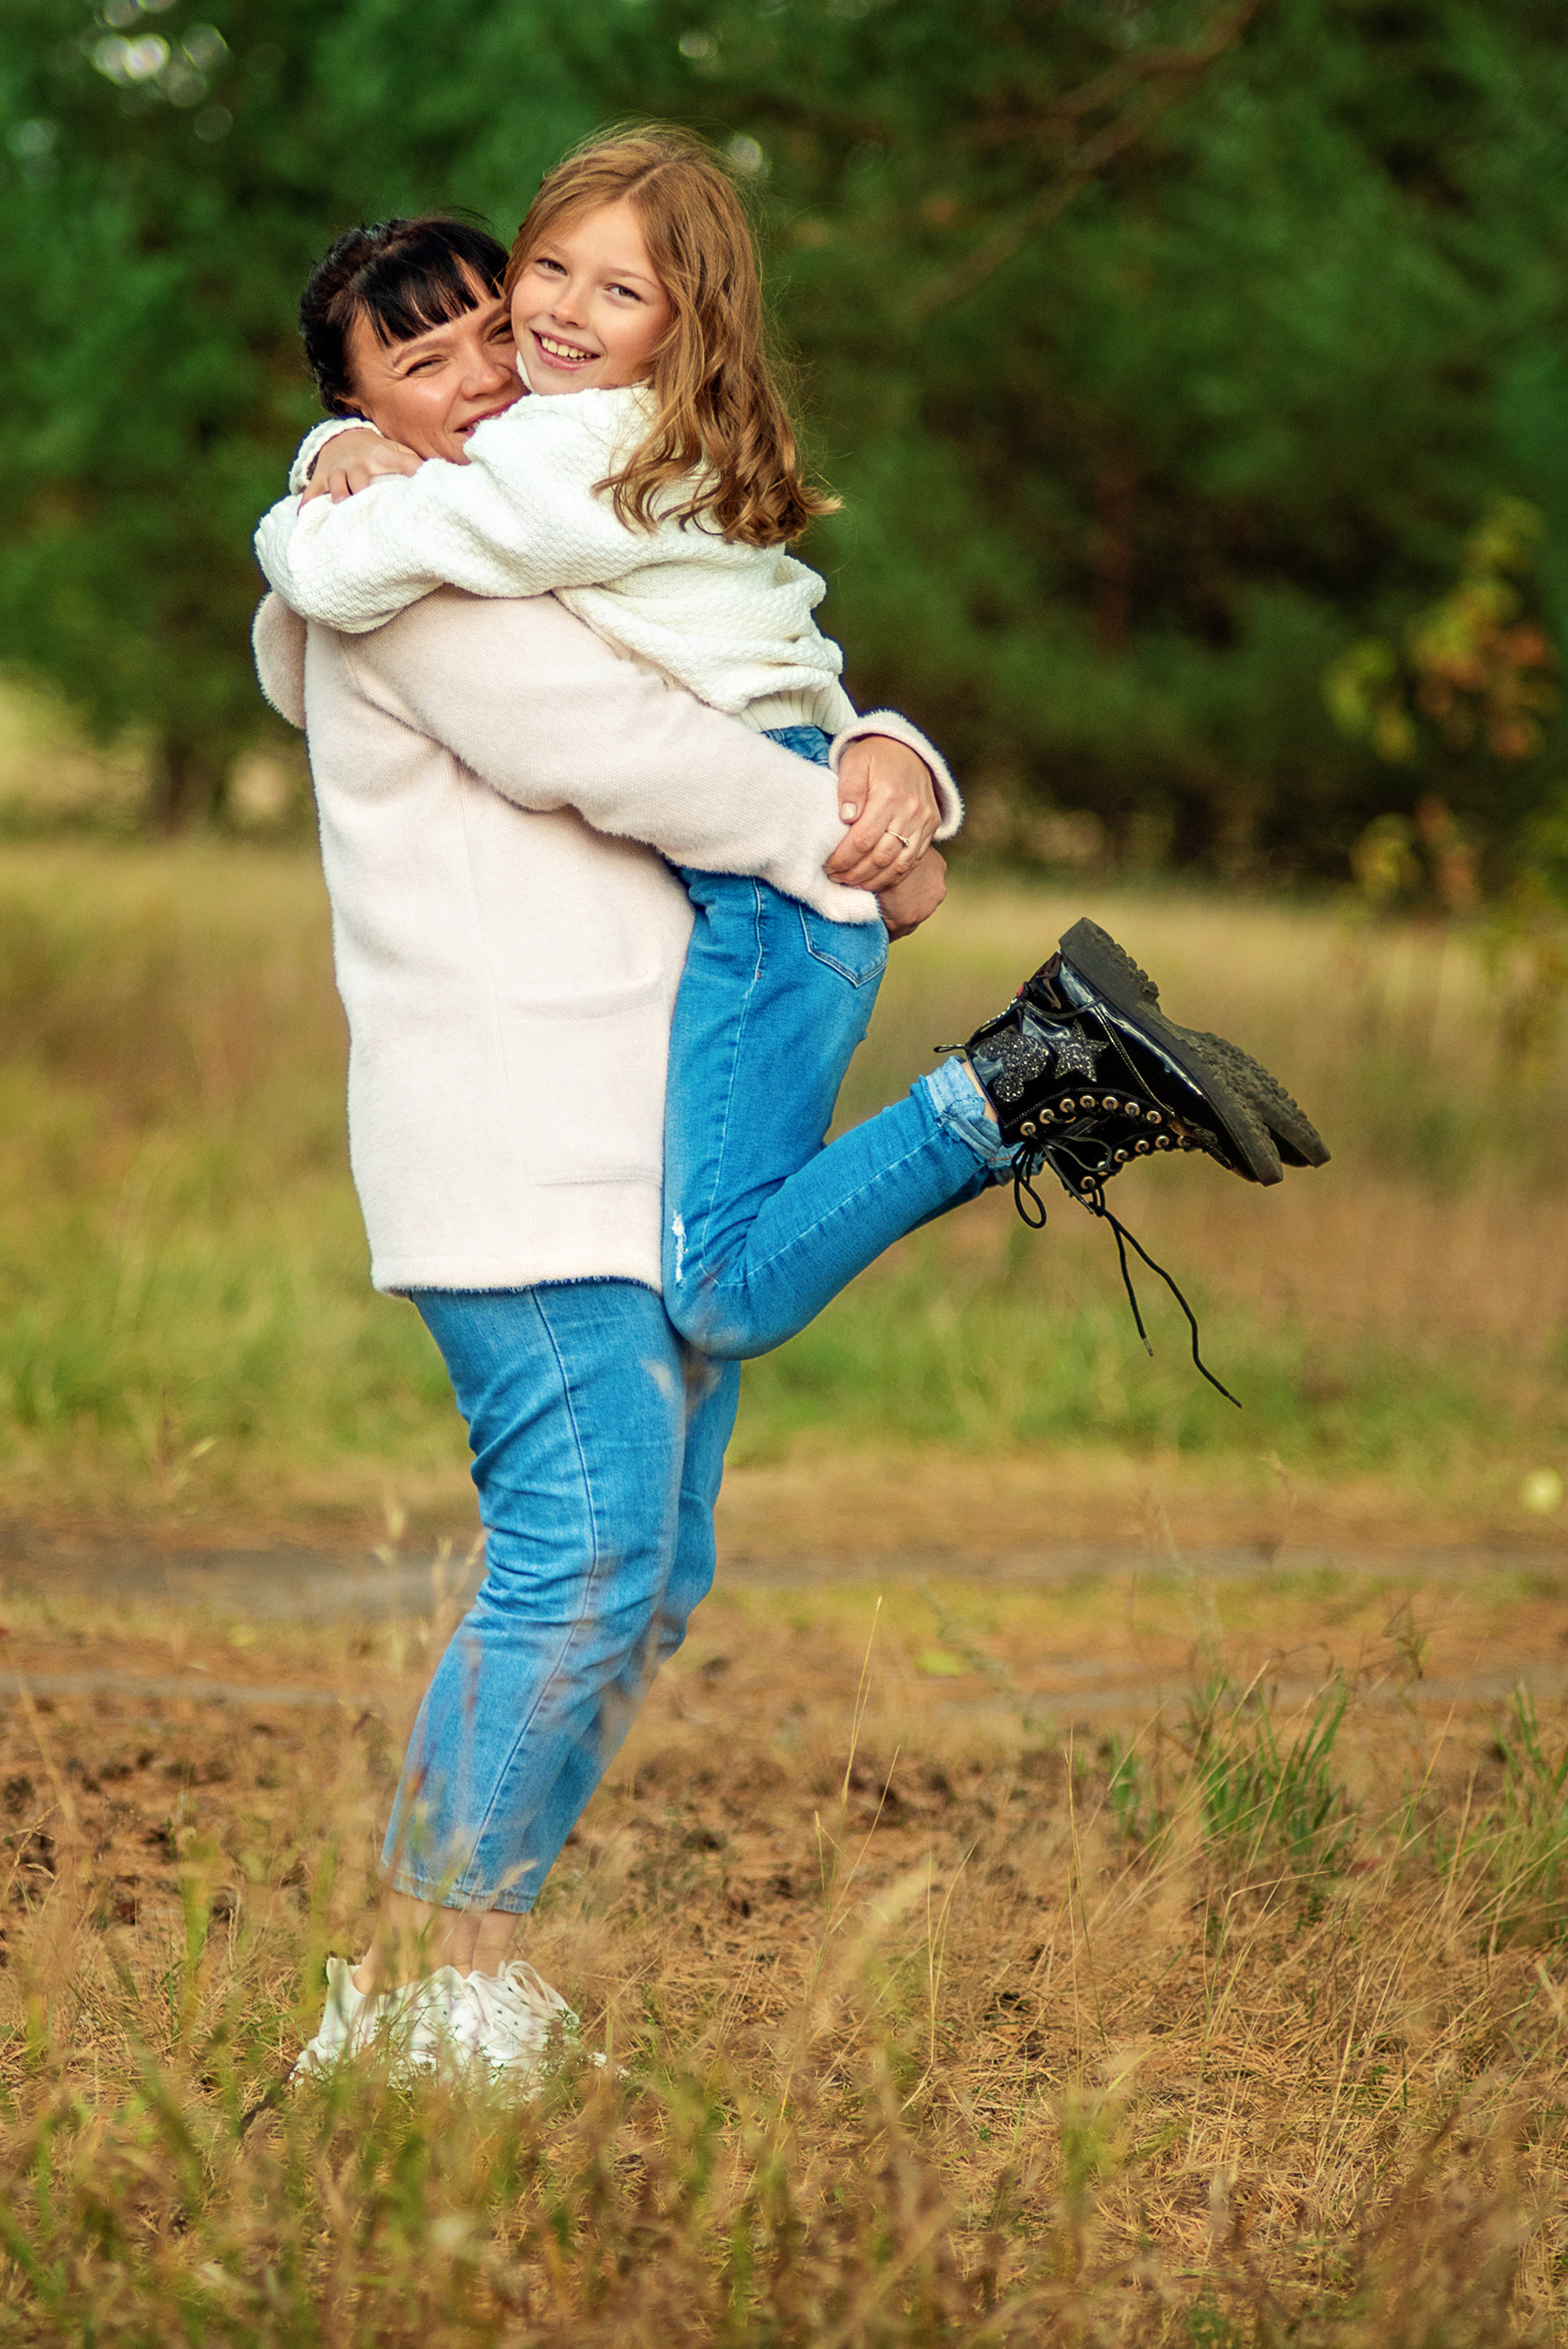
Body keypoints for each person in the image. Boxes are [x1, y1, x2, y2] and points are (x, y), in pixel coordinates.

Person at [251, 199, 1326, 2087]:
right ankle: (421, 1990)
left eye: (492, 327)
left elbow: (747, 664)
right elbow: (638, 752)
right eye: (416, 370)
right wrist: (858, 864)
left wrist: (898, 754)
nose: (485, 373)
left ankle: (457, 1973)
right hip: (515, 1146)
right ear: (355, 422)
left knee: (648, 1580)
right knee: (578, 1553)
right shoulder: (402, 575)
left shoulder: (563, 535)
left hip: (643, 1131)